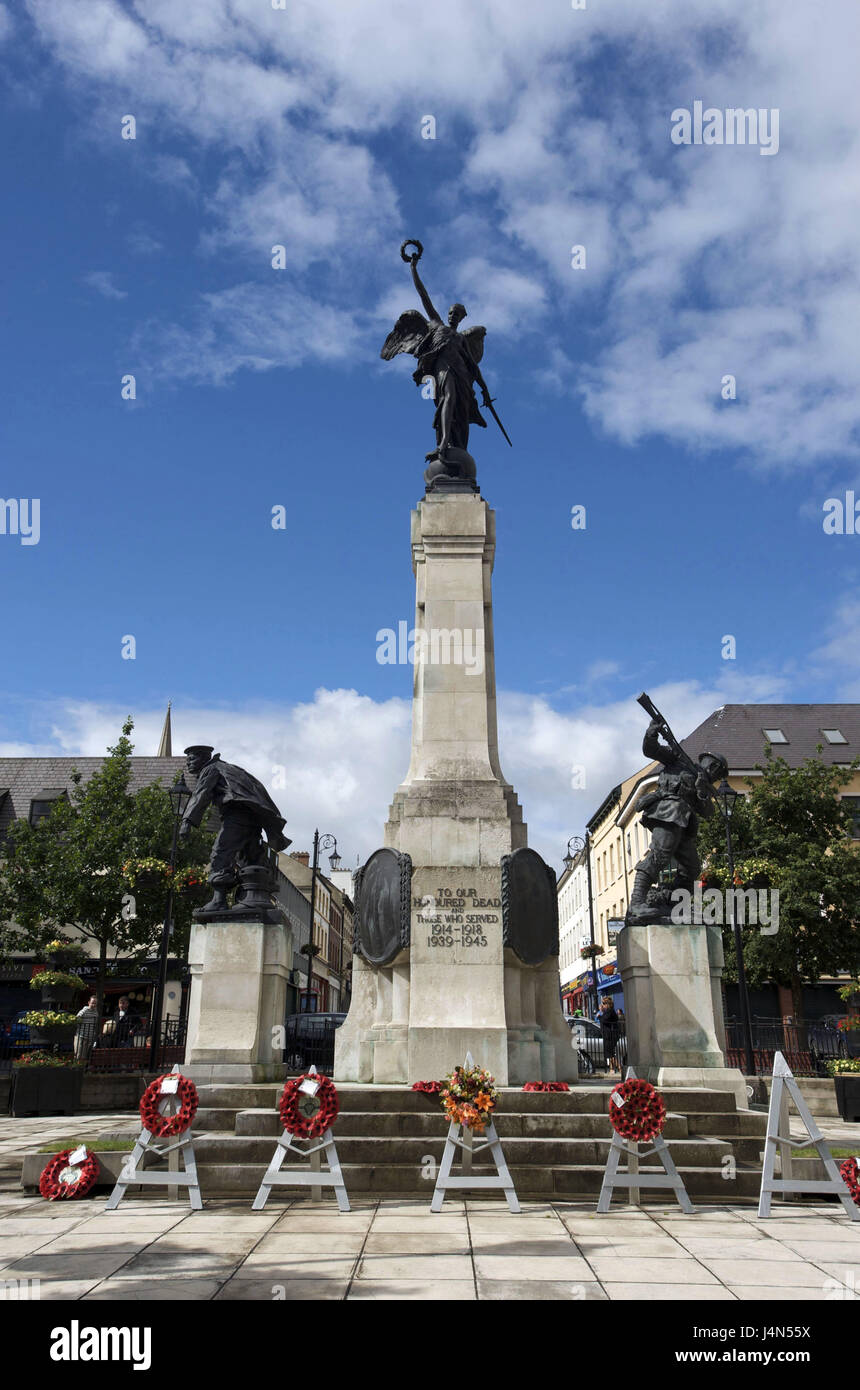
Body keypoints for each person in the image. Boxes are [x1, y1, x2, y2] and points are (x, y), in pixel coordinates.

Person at [627, 719, 729, 924]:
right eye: (717, 772)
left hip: (684, 825)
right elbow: (651, 750)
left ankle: (674, 903)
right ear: (713, 765)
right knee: (659, 856)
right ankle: (637, 902)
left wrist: (701, 790)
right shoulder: (679, 761)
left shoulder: (704, 784)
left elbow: (708, 812)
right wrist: (652, 732)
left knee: (691, 868)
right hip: (667, 813)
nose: (716, 776)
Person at [598, 997, 621, 1074]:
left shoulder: (610, 1012)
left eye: (604, 1004)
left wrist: (600, 1014)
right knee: (609, 1053)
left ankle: (618, 1067)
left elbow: (604, 1020)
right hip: (607, 1035)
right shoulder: (607, 1011)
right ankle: (612, 1068)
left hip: (610, 1035)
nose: (602, 1005)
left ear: (608, 1004)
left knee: (610, 1053)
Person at [74, 995, 99, 1061]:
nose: (94, 1004)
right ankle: (76, 1069)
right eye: (92, 1002)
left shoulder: (96, 1013)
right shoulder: (84, 1010)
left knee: (84, 1056)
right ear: (89, 1002)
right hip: (80, 1035)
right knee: (78, 1054)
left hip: (89, 1037)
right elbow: (77, 1018)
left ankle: (82, 1069)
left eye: (95, 1003)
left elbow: (95, 1024)